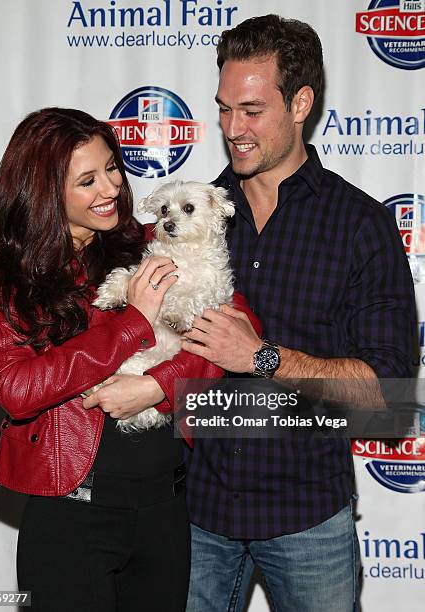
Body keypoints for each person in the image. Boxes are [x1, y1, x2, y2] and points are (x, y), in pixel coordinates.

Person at [0, 107, 258, 612]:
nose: (110, 188)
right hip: (72, 513)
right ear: (45, 191)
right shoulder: (8, 273)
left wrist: (159, 384)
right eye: (87, 180)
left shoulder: (145, 241)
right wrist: (133, 325)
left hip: (166, 507)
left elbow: (241, 332)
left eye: (111, 168)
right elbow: (17, 391)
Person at [179, 14, 416, 612]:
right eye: (224, 108)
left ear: (301, 102)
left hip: (306, 515)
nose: (234, 128)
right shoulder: (193, 219)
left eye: (252, 110)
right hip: (195, 513)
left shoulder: (359, 225)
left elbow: (388, 398)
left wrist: (261, 357)